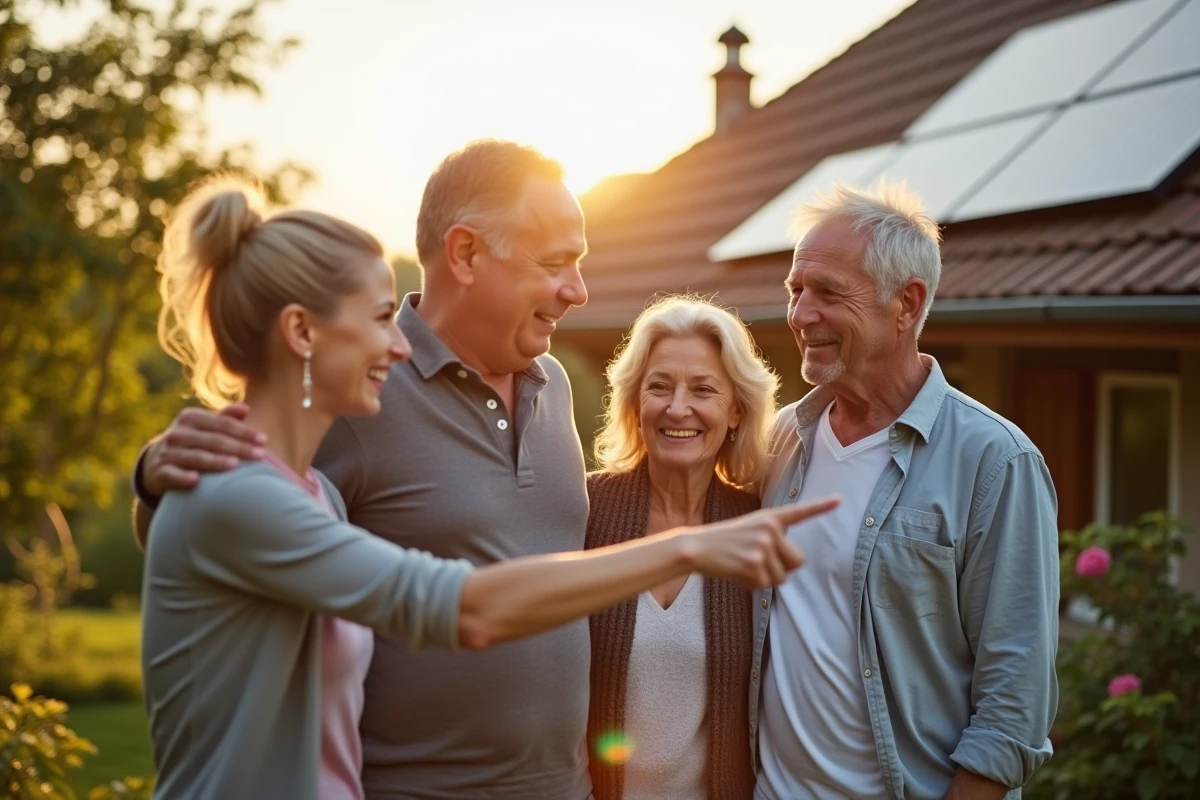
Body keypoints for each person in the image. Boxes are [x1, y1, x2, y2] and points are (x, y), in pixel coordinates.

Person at [131, 140, 816, 799]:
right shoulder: (355, 399)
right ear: (465, 253)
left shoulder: (551, 388)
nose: (578, 291)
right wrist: (158, 477)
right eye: (557, 262)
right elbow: (234, 523)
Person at [750, 182, 1060, 800]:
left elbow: (1014, 702)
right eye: (796, 290)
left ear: (907, 305)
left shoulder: (996, 460)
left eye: (828, 294)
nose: (800, 315)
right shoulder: (783, 438)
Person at [585, 296, 778, 800]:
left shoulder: (754, 526)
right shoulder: (583, 511)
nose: (677, 408)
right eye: (659, 387)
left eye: (703, 390)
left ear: (736, 411)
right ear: (634, 402)